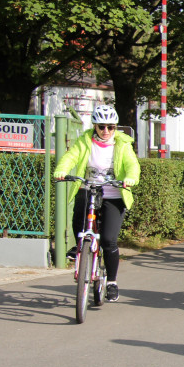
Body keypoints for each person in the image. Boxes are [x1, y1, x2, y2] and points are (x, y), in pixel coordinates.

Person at [53, 104, 140, 303]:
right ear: (95, 126)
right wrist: (61, 170)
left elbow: (132, 165)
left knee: (109, 240)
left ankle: (111, 282)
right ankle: (80, 246)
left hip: (113, 194)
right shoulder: (84, 141)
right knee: (79, 215)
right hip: (89, 188)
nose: (106, 131)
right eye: (102, 126)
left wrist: (131, 178)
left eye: (111, 127)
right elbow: (70, 157)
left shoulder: (122, 144)